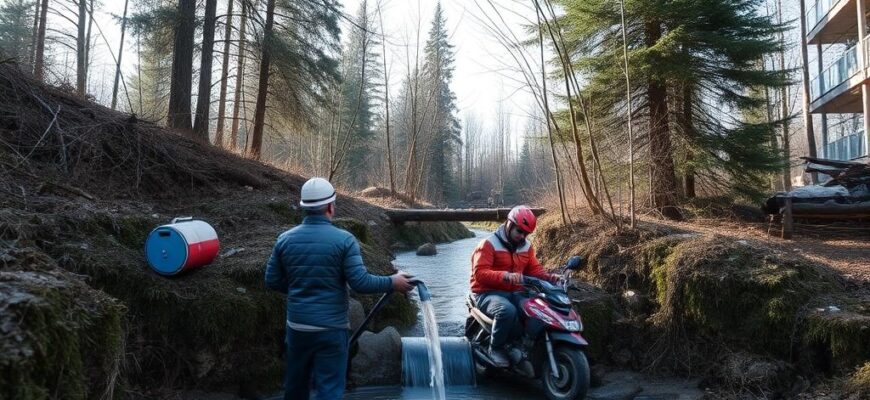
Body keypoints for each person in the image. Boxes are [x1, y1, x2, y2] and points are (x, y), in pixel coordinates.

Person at [265, 177, 414, 400]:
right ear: (330, 207)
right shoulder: (345, 240)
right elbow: (360, 283)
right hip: (331, 330)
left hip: (297, 328)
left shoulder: (284, 239)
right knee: (330, 390)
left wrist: (301, 288)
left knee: (295, 388)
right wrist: (392, 282)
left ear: (304, 207)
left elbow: (272, 280)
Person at [469, 205, 560, 367]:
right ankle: (495, 348)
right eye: (520, 231)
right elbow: (480, 273)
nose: (522, 236)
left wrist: (551, 278)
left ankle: (525, 346)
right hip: (487, 293)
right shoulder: (488, 244)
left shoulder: (526, 247)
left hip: (516, 292)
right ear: (510, 224)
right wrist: (505, 276)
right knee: (507, 310)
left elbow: (534, 270)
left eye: (526, 233)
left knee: (538, 309)